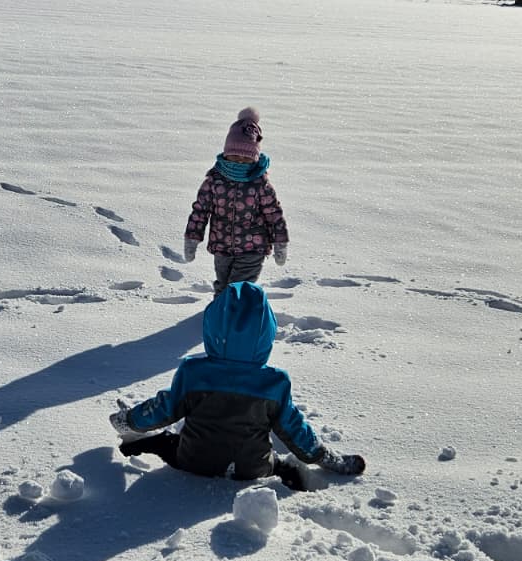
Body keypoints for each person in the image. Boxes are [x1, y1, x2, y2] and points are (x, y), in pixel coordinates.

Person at [109, 281, 365, 491]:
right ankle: (296, 483)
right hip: (252, 468)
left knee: (165, 441)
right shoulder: (275, 383)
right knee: (283, 466)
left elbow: (163, 409)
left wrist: (128, 420)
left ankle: (130, 440)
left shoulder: (193, 372)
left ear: (212, 327)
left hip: (193, 462)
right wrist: (327, 458)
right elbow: (295, 430)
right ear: (266, 334)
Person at [184, 106, 289, 296]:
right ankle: (220, 312)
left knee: (238, 289)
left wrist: (280, 242)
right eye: (235, 154)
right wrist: (192, 237)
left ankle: (234, 313)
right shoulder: (214, 180)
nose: (239, 160)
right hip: (222, 247)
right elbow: (200, 211)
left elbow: (273, 214)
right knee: (223, 287)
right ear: (226, 152)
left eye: (246, 157)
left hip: (253, 248)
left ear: (254, 158)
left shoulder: (260, 183)